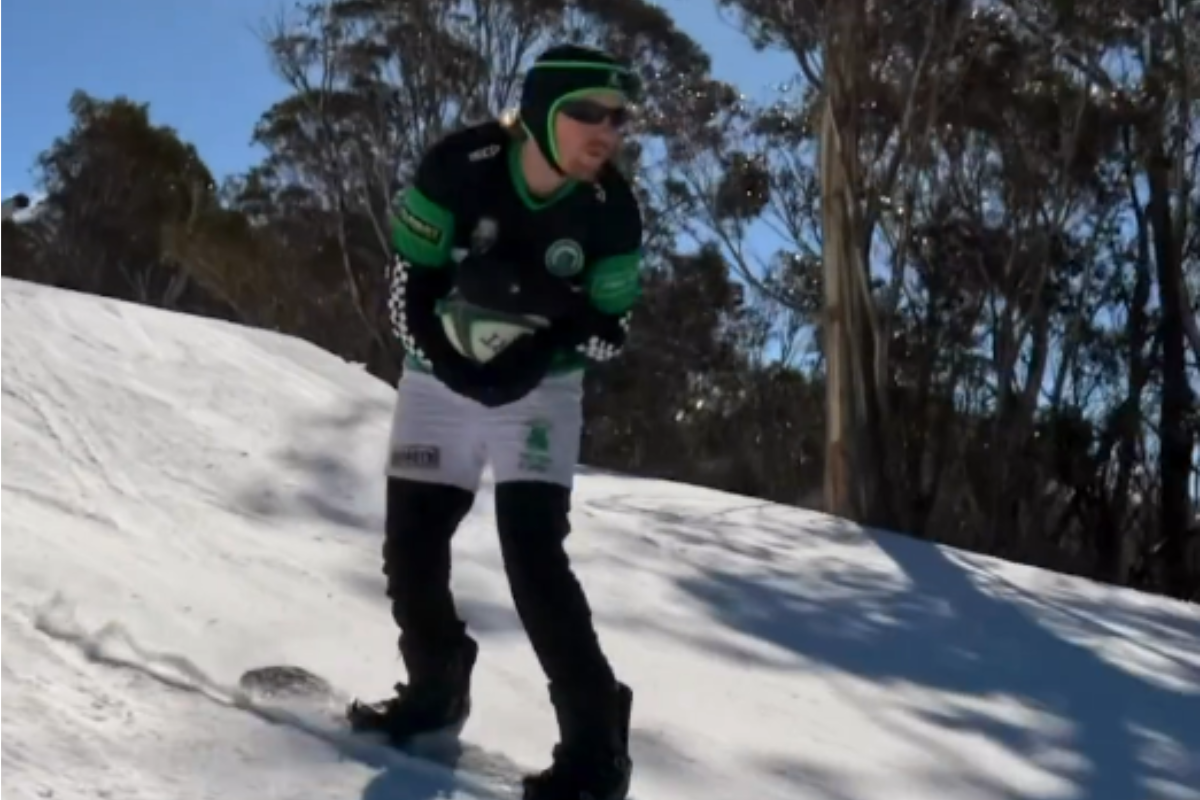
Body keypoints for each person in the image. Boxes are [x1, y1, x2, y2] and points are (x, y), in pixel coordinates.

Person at [346, 43, 644, 800]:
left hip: (544, 393)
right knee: (410, 548)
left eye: (619, 117)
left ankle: (595, 744)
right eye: (587, 113)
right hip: (436, 378)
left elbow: (611, 330)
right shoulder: (459, 164)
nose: (606, 130)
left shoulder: (613, 212)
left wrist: (540, 343)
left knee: (533, 559)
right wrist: (452, 367)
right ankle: (436, 683)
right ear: (543, 111)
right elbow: (406, 291)